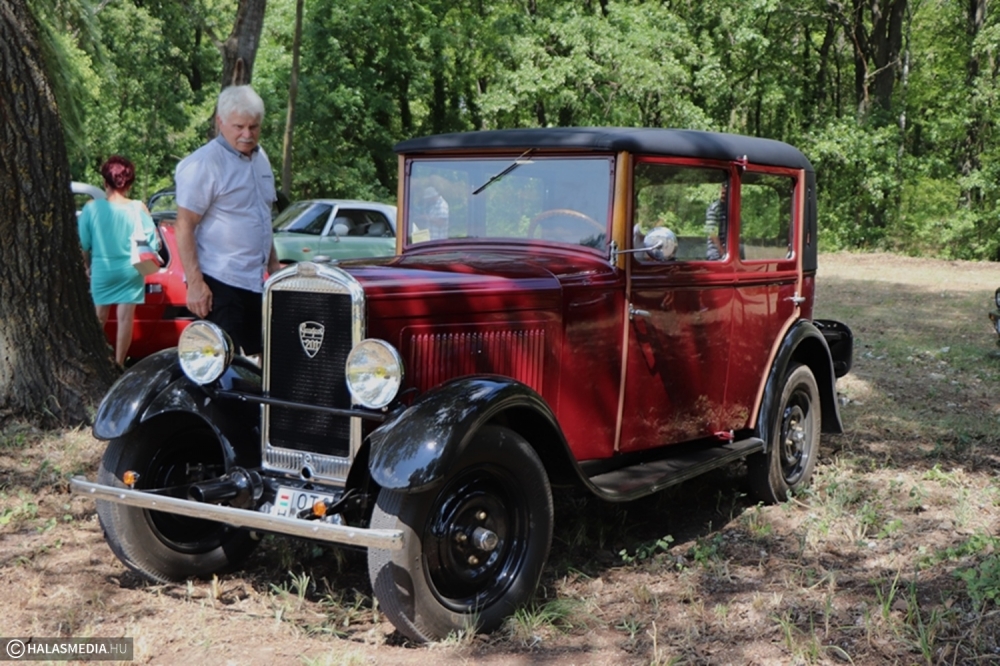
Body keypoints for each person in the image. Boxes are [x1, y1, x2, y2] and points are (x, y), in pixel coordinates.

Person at [175, 85, 280, 356]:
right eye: (239, 127)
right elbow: (184, 225)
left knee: (265, 362)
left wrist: (274, 267)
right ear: (220, 122)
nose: (247, 134)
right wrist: (195, 284)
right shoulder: (204, 163)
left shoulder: (261, 159)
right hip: (219, 281)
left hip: (255, 281)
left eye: (254, 127)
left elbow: (262, 216)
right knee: (222, 365)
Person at [78, 155, 160, 366]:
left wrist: (87, 267)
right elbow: (153, 241)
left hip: (102, 268)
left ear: (105, 181)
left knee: (99, 318)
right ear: (129, 184)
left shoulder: (91, 208)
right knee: (125, 319)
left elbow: (84, 243)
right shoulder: (138, 207)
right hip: (131, 269)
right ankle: (119, 363)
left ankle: (96, 362)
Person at [705, 181, 728, 260]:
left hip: (728, 250)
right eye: (722, 193)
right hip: (715, 253)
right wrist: (723, 253)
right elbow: (711, 232)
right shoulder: (714, 208)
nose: (723, 195)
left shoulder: (731, 209)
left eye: (726, 193)